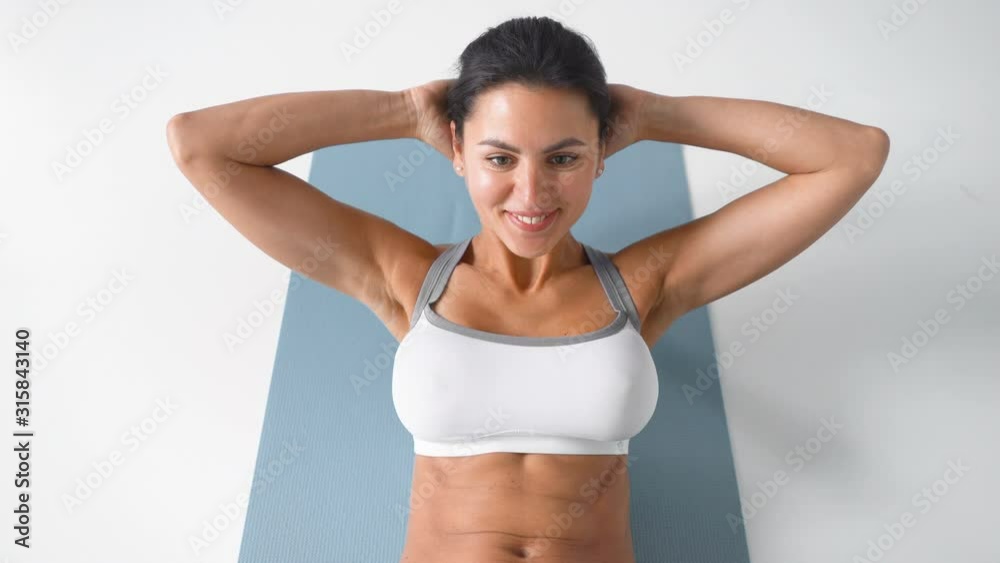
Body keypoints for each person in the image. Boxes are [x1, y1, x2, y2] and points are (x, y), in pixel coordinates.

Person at [166, 15, 889, 563]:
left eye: (565, 156)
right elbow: (202, 145)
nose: (531, 191)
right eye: (499, 156)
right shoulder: (406, 278)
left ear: (602, 151)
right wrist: (401, 110)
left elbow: (852, 157)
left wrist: (660, 114)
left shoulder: (644, 284)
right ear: (457, 149)